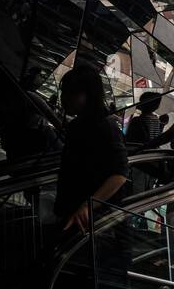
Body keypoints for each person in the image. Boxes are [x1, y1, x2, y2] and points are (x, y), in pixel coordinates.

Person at [54, 66, 129, 233]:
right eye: (64, 92)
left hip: (96, 222)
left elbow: (120, 174)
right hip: (78, 215)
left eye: (71, 93)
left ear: (89, 94)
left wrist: (88, 205)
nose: (64, 99)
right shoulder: (77, 125)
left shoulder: (105, 126)